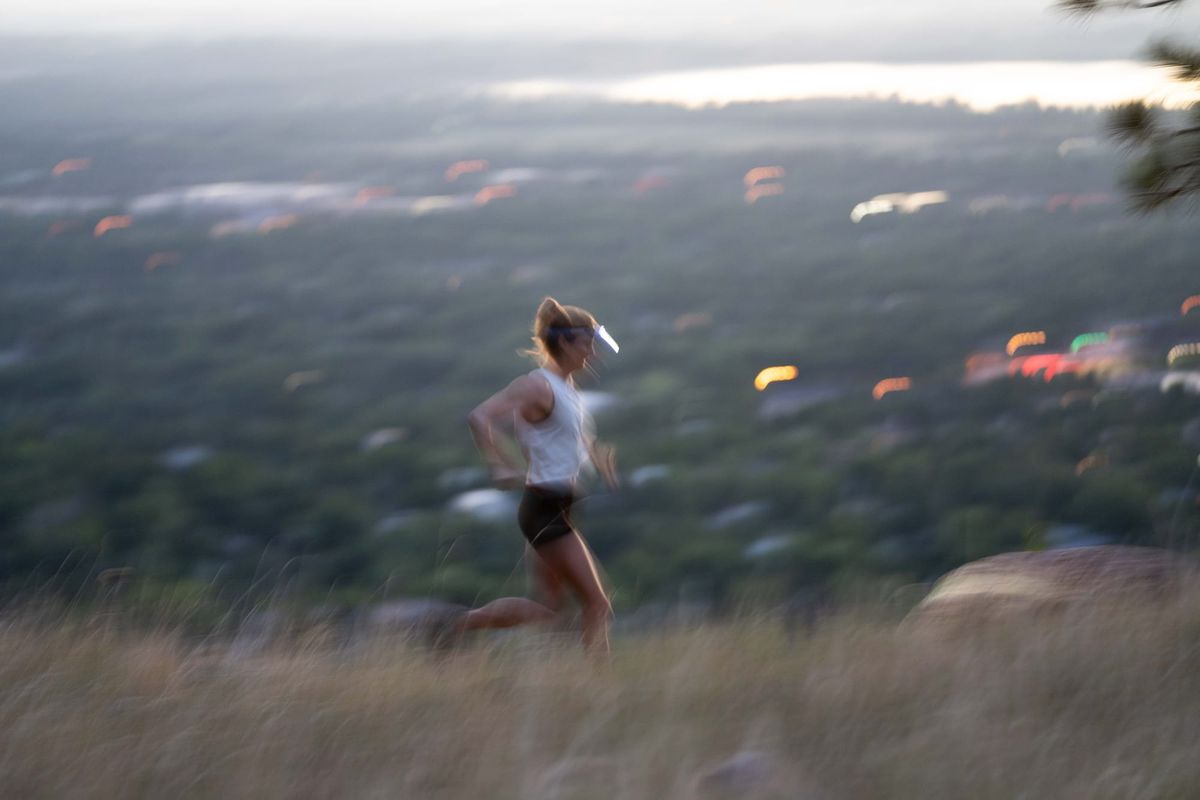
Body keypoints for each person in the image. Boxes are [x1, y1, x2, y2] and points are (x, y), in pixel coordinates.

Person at [461, 297, 619, 657]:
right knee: (597, 605)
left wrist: (597, 459)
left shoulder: (566, 388)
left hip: (556, 506)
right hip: (545, 509)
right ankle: (602, 687)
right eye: (587, 344)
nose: (593, 354)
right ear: (564, 342)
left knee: (549, 610)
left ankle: (457, 624)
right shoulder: (537, 386)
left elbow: (567, 436)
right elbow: (479, 417)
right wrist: (500, 464)